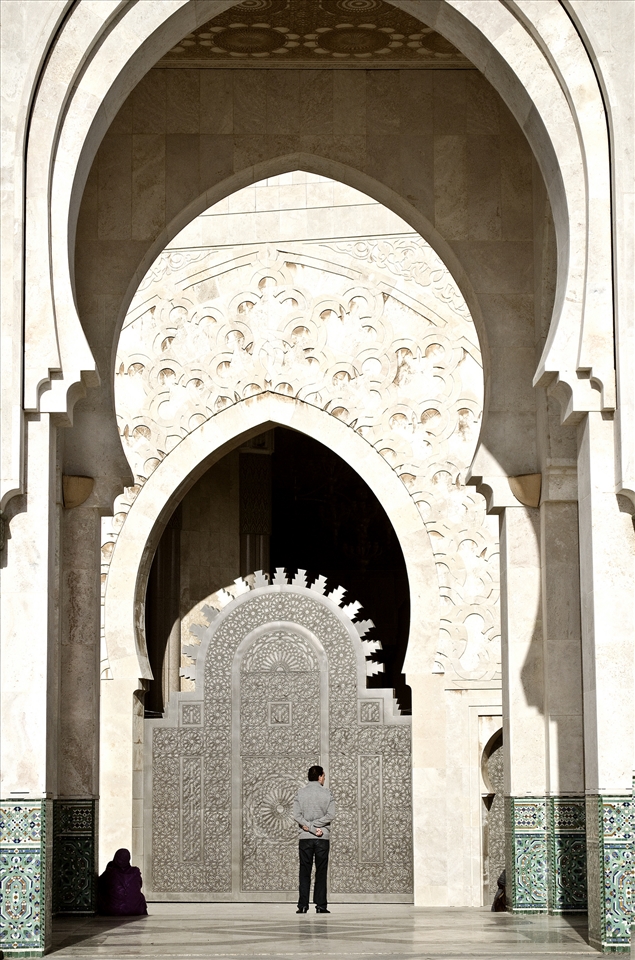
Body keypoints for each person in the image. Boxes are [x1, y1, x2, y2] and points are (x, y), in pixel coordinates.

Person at [293, 764, 336, 914]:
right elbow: (330, 815)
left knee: (304, 871)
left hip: (305, 838)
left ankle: (303, 906)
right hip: (322, 837)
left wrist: (309, 827)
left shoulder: (300, 793)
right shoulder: (327, 793)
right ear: (319, 777)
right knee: (321, 872)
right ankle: (321, 906)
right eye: (323, 776)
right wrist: (316, 828)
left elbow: (297, 816)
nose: (324, 779)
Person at [97, 848, 148, 915]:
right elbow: (139, 885)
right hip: (136, 909)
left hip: (113, 910)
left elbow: (98, 885)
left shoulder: (110, 872)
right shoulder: (135, 872)